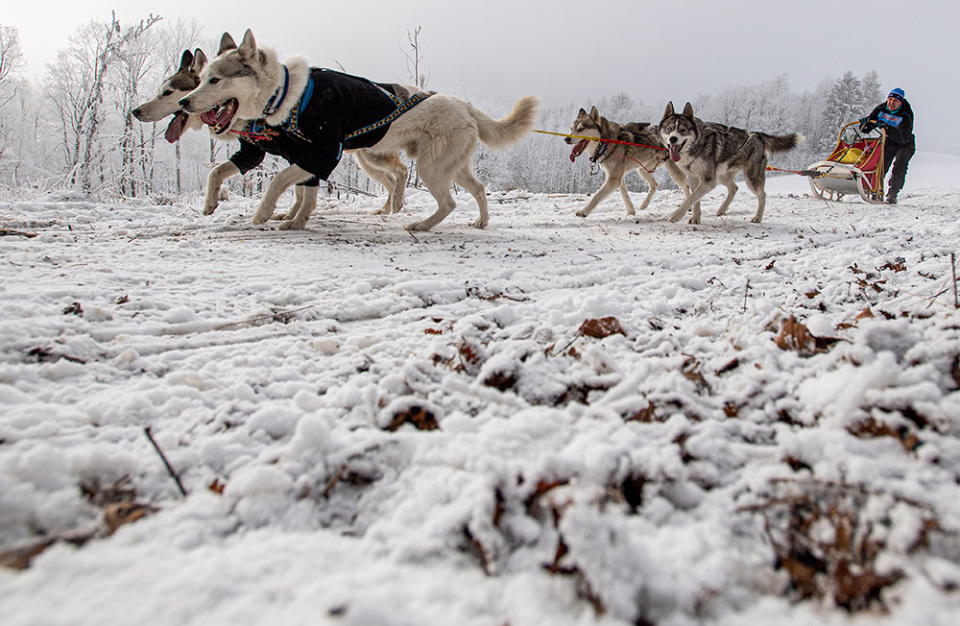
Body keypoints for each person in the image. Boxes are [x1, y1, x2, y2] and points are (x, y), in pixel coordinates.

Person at [859, 88, 915, 204]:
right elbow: (866, 128)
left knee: (900, 164)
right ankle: (876, 190)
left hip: (905, 144)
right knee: (880, 164)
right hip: (889, 141)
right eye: (889, 99)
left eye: (895, 101)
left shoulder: (906, 114)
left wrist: (886, 127)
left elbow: (902, 137)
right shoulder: (881, 109)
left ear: (901, 102)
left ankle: (893, 193)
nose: (891, 103)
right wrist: (866, 124)